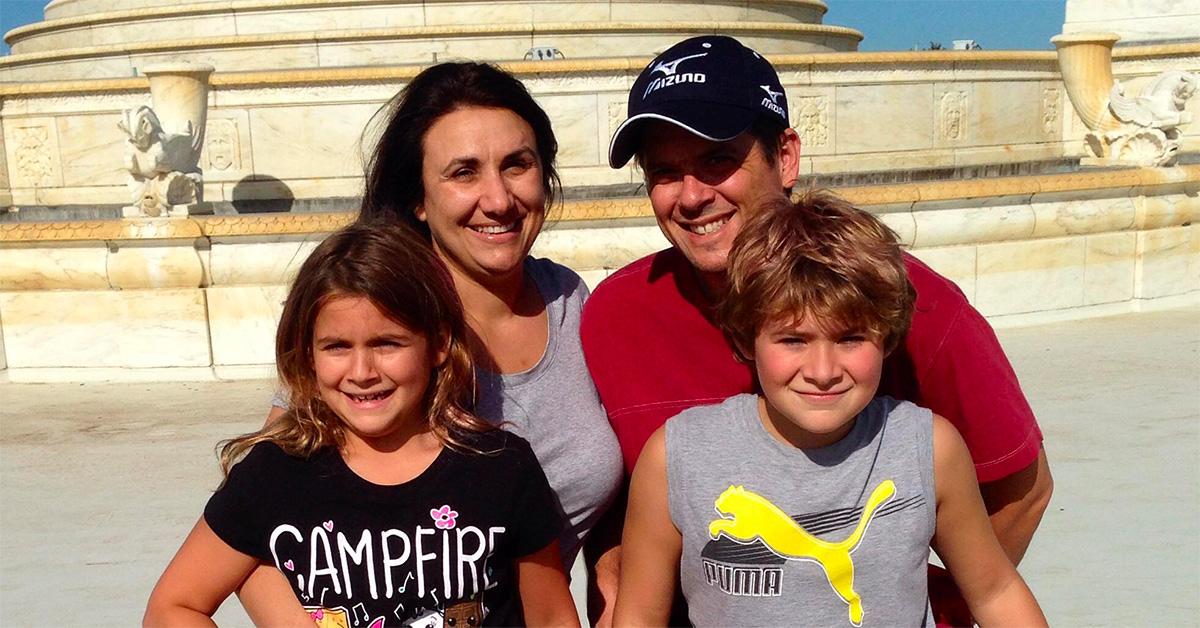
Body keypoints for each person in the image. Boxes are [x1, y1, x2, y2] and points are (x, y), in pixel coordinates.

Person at [582, 35, 1053, 625]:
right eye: (665, 172)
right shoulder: (614, 314)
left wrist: (910, 601)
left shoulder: (906, 302)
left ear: (785, 158)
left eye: (717, 160)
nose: (693, 196)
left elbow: (1022, 491)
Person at [612, 191, 1047, 626]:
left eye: (850, 339)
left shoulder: (928, 448)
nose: (823, 371)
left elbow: (995, 591)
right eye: (794, 340)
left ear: (888, 339)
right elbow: (639, 616)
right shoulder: (677, 457)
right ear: (746, 339)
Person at [264, 62, 623, 576]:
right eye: (463, 172)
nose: (498, 200)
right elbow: (259, 524)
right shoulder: (375, 319)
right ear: (418, 199)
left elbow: (617, 499)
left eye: (517, 164)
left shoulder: (570, 300)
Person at [144, 223, 580, 627]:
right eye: (336, 346)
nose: (362, 371)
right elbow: (174, 605)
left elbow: (552, 617)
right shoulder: (275, 475)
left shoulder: (501, 467)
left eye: (387, 343)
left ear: (440, 344)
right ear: (307, 354)